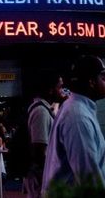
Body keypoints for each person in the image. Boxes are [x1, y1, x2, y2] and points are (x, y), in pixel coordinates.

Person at [42, 56, 105, 195]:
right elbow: (89, 179)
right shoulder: (78, 117)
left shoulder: (77, 109)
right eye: (103, 78)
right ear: (92, 82)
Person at [24, 70, 65, 198]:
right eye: (60, 87)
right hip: (40, 178)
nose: (62, 91)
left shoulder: (45, 109)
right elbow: (39, 151)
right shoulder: (41, 112)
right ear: (50, 90)